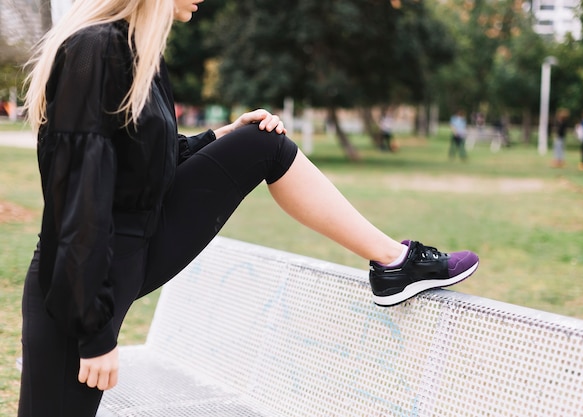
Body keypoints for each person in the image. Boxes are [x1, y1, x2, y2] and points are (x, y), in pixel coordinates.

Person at [18, 0, 479, 416]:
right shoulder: (95, 50)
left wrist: (223, 136)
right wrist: (94, 334)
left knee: (263, 144)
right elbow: (78, 197)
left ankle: (395, 262)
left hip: (129, 250)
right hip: (77, 287)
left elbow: (144, 164)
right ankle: (396, 263)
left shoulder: (142, 53)